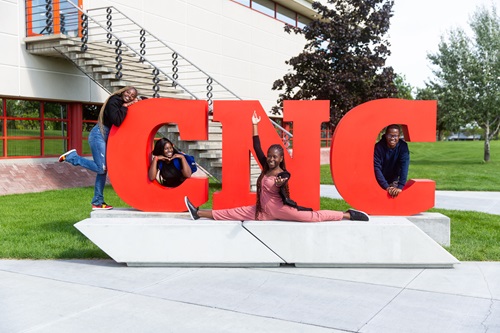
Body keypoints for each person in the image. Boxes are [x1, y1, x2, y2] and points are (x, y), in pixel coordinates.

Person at [184, 111, 369, 222]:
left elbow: (283, 180)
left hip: (281, 210)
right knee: (232, 213)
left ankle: (347, 215)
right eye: (270, 156)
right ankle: (198, 212)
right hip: (262, 211)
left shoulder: (283, 173)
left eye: (275, 157)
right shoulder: (266, 167)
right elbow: (257, 147)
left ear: (281, 159)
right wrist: (255, 125)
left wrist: (280, 182)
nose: (271, 159)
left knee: (315, 217)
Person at [58, 86, 139, 210]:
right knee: (100, 168)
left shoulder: (122, 102)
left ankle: (97, 201)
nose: (129, 96)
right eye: (128, 92)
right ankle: (72, 157)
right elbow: (117, 120)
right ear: (123, 91)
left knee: (103, 170)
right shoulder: (114, 101)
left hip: (105, 137)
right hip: (99, 135)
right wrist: (125, 107)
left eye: (132, 96)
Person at [374, 124, 410, 198]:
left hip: (394, 177)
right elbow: (376, 167)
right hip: (379, 178)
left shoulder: (403, 147)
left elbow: (404, 166)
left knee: (395, 196)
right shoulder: (378, 147)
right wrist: (386, 186)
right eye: (390, 135)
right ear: (386, 135)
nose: (393, 138)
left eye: (395, 136)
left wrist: (400, 186)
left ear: (399, 136)